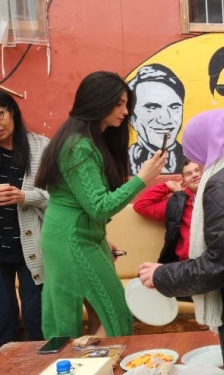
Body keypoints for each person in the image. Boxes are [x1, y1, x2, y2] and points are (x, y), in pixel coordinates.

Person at [35, 71, 167, 338]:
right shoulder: (78, 146)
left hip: (78, 236)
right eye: (118, 103)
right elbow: (99, 206)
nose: (125, 110)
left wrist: (100, 236)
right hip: (71, 240)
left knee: (99, 311)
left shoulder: (89, 141)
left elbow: (85, 205)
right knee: (111, 310)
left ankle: (94, 363)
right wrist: (143, 178)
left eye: (126, 103)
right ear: (97, 101)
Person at [137, 109, 224, 375]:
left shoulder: (222, 183)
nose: (197, 166)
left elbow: (220, 264)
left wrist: (162, 275)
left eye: (195, 156)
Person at [0, 91, 49, 346]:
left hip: (33, 248)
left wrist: (25, 196)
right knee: (2, 320)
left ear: (12, 112)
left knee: (37, 317)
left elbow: (60, 198)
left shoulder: (41, 147)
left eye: (0, 115)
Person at [133, 160, 202, 263]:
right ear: (184, 181)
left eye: (198, 170)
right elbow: (141, 206)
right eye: (189, 174)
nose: (195, 175)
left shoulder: (222, 196)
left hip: (216, 260)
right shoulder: (177, 203)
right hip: (185, 263)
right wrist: (168, 186)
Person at [128, 63, 186, 174]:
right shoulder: (118, 162)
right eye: (152, 107)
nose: (165, 119)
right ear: (132, 118)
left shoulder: (193, 160)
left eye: (174, 107)